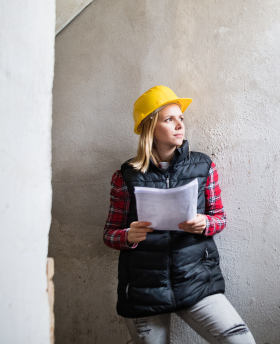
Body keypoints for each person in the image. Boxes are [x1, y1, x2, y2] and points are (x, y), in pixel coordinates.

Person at [103, 86, 255, 344]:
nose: (179, 125)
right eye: (169, 119)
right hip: (143, 288)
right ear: (150, 127)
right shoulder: (125, 176)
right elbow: (109, 234)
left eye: (180, 119)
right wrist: (129, 235)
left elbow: (219, 218)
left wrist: (204, 223)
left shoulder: (203, 165)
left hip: (196, 282)